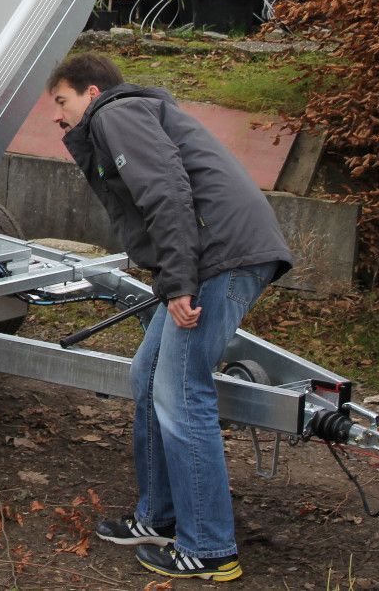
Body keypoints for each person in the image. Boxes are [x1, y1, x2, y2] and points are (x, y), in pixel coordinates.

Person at [47, 52, 293, 582]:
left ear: (92, 94)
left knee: (182, 392)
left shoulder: (115, 114)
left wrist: (179, 280)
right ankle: (158, 517)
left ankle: (208, 547)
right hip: (212, 253)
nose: (56, 115)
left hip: (220, 256)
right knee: (148, 377)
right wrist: (175, 274)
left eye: (62, 101)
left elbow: (166, 191)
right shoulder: (125, 118)